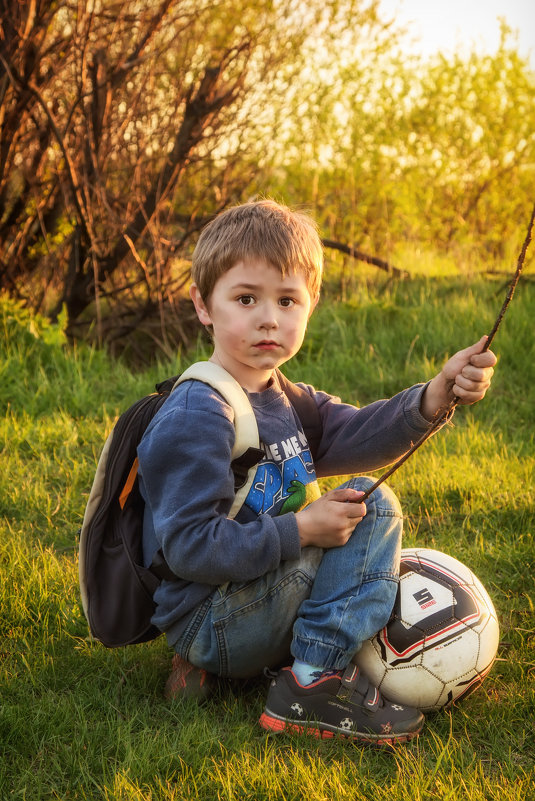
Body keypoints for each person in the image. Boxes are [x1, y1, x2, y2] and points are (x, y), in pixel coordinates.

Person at [137, 199, 496, 745]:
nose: (268, 317)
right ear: (203, 306)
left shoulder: (284, 399)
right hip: (211, 615)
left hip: (237, 607)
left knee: (354, 501)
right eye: (245, 298)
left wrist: (433, 396)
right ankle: (312, 684)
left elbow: (359, 432)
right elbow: (189, 548)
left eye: (287, 300)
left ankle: (212, 667)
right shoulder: (198, 414)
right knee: (370, 507)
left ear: (311, 305)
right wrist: (301, 530)